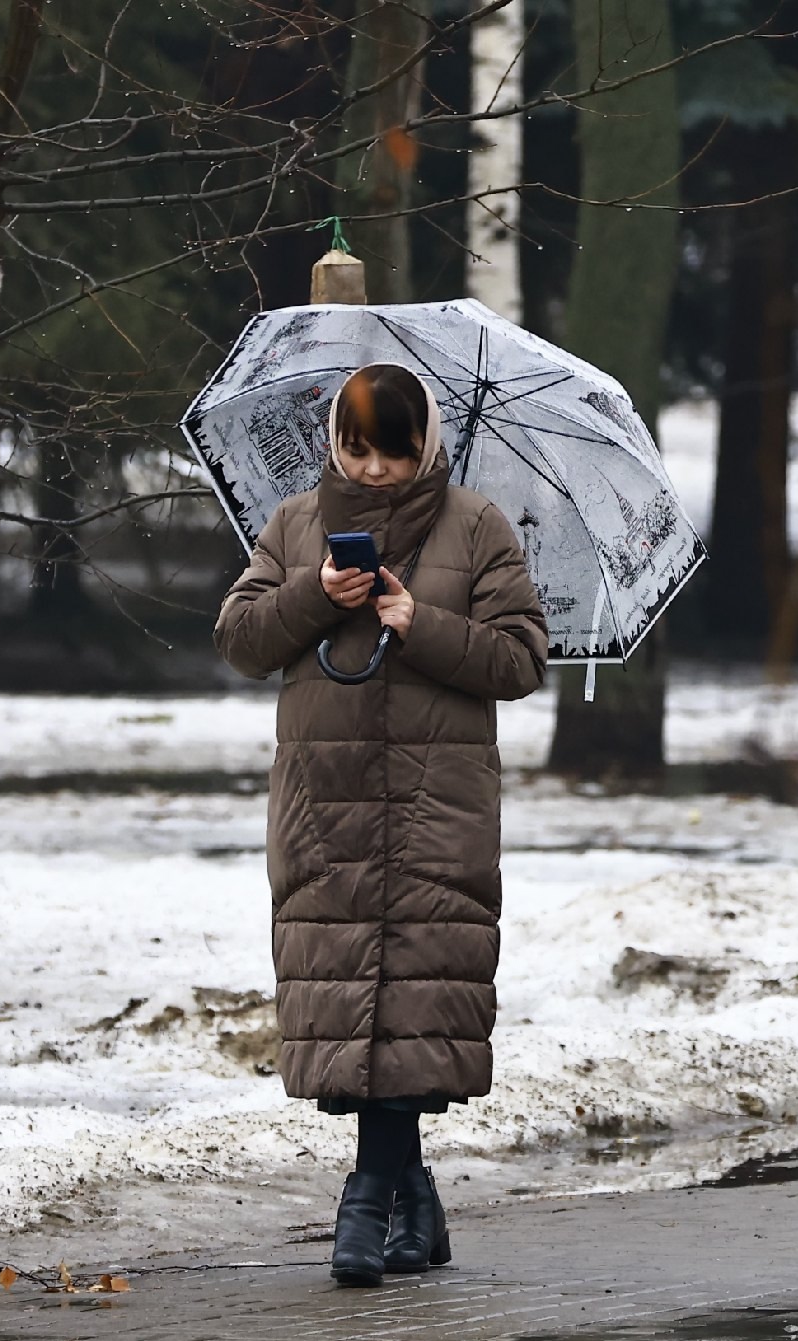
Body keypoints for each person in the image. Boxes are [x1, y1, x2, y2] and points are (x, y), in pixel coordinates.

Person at [213, 363, 548, 1285]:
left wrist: (418, 618)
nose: (371, 470)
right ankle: (414, 1197)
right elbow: (240, 639)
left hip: (438, 809)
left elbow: (521, 660)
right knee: (357, 1002)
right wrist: (319, 594)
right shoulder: (292, 524)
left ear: (424, 446)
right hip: (329, 805)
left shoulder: (477, 526)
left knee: (409, 1001)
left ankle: (367, 1195)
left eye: (390, 454)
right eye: (355, 450)